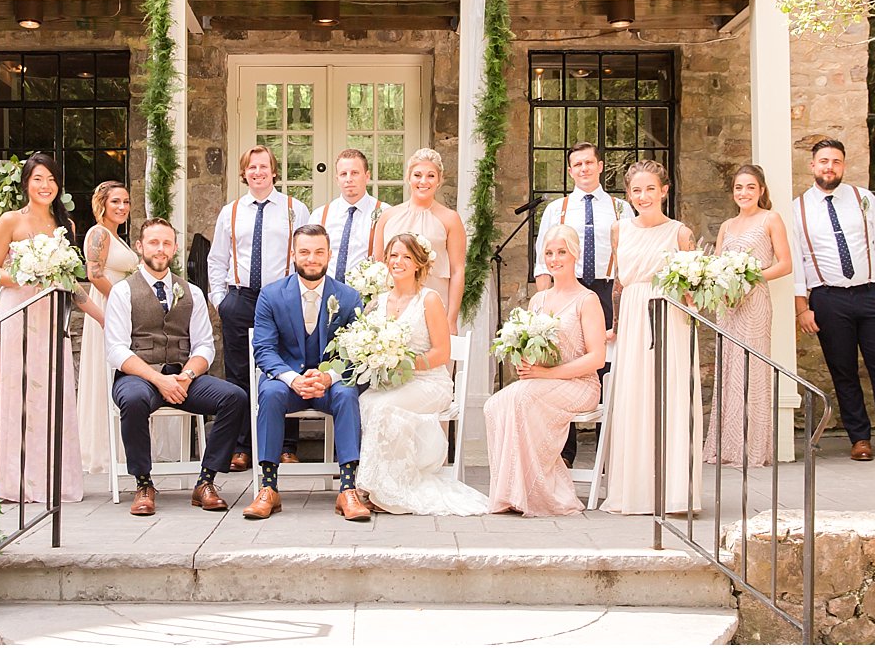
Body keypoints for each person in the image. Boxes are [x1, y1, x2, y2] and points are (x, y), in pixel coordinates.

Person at [792, 139, 875, 462]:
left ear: (843, 165)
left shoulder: (863, 199)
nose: (829, 167)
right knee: (843, 371)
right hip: (828, 299)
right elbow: (797, 263)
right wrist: (802, 308)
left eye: (836, 161)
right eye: (824, 161)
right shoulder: (797, 209)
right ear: (812, 165)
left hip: (870, 295)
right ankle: (860, 439)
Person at [104, 217, 249, 516]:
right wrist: (158, 380)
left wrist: (187, 376)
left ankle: (206, 481)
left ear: (174, 249)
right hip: (140, 376)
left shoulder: (192, 292)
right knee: (132, 400)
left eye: (166, 243)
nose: (160, 249)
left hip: (184, 376)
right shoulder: (122, 291)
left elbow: (205, 346)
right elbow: (116, 349)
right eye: (154, 242)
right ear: (140, 246)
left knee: (234, 397)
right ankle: (144, 483)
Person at [0, 153, 100, 502]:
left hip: (50, 316)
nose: (45, 185)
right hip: (16, 310)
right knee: (14, 392)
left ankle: (49, 480)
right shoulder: (10, 221)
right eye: (38, 179)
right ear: (26, 184)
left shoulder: (67, 227)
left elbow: (71, 284)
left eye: (50, 179)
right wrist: (19, 275)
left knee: (50, 394)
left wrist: (105, 317)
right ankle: (10, 482)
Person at [241, 224, 370, 522]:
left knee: (348, 393)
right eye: (305, 252)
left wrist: (329, 377)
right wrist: (293, 379)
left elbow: (358, 352)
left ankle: (347, 489)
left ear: (328, 255)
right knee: (270, 392)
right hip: (288, 384)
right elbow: (264, 349)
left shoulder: (349, 298)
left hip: (330, 384)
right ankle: (268, 488)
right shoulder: (271, 296)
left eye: (318, 252)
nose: (311, 258)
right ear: (293, 255)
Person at [357, 233, 488, 516]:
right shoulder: (378, 302)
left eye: (406, 256)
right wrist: (377, 359)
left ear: (418, 263)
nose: (399, 262)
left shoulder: (429, 299)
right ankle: (378, 483)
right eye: (393, 255)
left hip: (429, 382)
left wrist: (401, 363)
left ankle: (388, 489)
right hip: (393, 381)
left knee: (383, 406)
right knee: (367, 401)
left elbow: (442, 352)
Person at [600, 161, 702, 516]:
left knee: (670, 396)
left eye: (650, 189)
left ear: (664, 190)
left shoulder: (681, 234)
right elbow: (617, 283)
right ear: (629, 195)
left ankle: (673, 492)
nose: (643, 196)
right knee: (634, 398)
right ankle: (635, 491)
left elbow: (693, 287)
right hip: (631, 316)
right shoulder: (619, 229)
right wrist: (614, 324)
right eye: (636, 190)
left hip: (669, 316)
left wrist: (697, 303)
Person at [484, 226, 607, 516]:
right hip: (542, 381)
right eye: (549, 253)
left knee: (522, 399)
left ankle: (542, 492)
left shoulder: (587, 300)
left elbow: (597, 358)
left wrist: (549, 374)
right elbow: (533, 345)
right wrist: (522, 358)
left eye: (561, 252)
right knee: (494, 404)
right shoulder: (539, 300)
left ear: (574, 254)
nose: (555, 259)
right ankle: (510, 491)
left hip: (580, 384)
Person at [207, 146, 310, 470]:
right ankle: (242, 447)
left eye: (264, 166)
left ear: (274, 171)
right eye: (252, 167)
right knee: (238, 373)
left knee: (288, 365)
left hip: (281, 296)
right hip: (241, 298)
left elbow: (304, 255)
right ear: (244, 173)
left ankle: (286, 446)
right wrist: (221, 299)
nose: (258, 172)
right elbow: (217, 259)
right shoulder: (231, 211)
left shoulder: (295, 209)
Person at [533, 140, 633, 466]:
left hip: (607, 292)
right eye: (577, 165)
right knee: (562, 360)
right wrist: (544, 306)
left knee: (607, 366)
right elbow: (542, 261)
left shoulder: (620, 209)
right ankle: (564, 454)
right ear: (570, 170)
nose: (584, 169)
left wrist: (620, 310)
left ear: (600, 166)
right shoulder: (556, 210)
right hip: (565, 292)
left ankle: (611, 453)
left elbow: (629, 262)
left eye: (589, 163)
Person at [703, 165, 793, 468]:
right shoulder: (727, 225)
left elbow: (785, 264)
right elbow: (715, 266)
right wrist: (722, 286)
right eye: (739, 187)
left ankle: (753, 447)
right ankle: (726, 446)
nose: (744, 193)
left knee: (752, 371)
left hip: (754, 303)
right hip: (727, 305)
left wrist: (750, 279)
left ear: (761, 190)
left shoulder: (771, 219)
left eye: (750, 187)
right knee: (728, 369)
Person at [371, 148, 466, 332]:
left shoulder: (450, 219)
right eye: (417, 175)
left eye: (430, 175)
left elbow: (457, 271)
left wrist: (451, 319)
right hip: (394, 307)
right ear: (408, 177)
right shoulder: (387, 216)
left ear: (439, 180)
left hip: (436, 303)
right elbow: (378, 267)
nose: (423, 181)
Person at [75, 181, 126, 475]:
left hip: (121, 309)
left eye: (126, 202)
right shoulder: (98, 234)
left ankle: (118, 445)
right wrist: (120, 303)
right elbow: (94, 275)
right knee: (104, 375)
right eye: (116, 202)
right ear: (102, 205)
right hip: (109, 308)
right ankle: (100, 451)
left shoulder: (117, 237)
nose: (122, 207)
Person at [312, 148, 384, 283]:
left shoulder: (384, 213)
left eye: (355, 173)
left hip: (368, 298)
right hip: (326, 294)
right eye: (344, 174)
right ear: (337, 179)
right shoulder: (320, 215)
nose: (349, 179)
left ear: (367, 176)